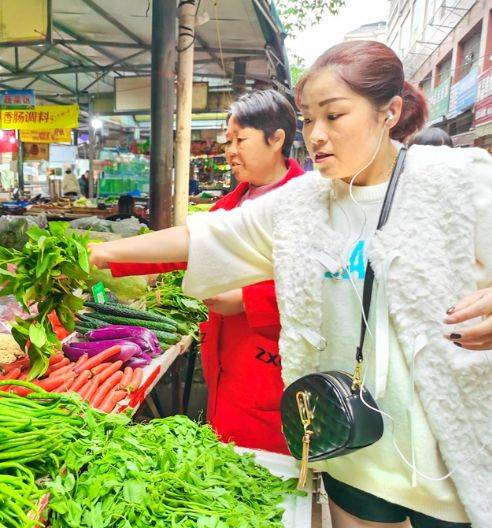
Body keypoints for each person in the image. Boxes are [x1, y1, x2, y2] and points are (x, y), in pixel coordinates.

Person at [90, 41, 492, 527]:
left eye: (334, 115)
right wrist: (95, 253)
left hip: (448, 453)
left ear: (389, 112)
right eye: (307, 118)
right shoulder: (303, 204)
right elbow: (207, 236)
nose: (316, 135)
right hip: (354, 442)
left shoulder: (458, 184)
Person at [109, 90, 303, 452]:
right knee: (223, 456)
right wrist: (106, 261)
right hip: (225, 357)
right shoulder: (234, 202)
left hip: (267, 358)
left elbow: (320, 289)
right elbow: (189, 246)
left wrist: (247, 300)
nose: (230, 151)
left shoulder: (305, 202)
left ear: (277, 139)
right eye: (228, 140)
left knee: (263, 467)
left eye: (240, 140)